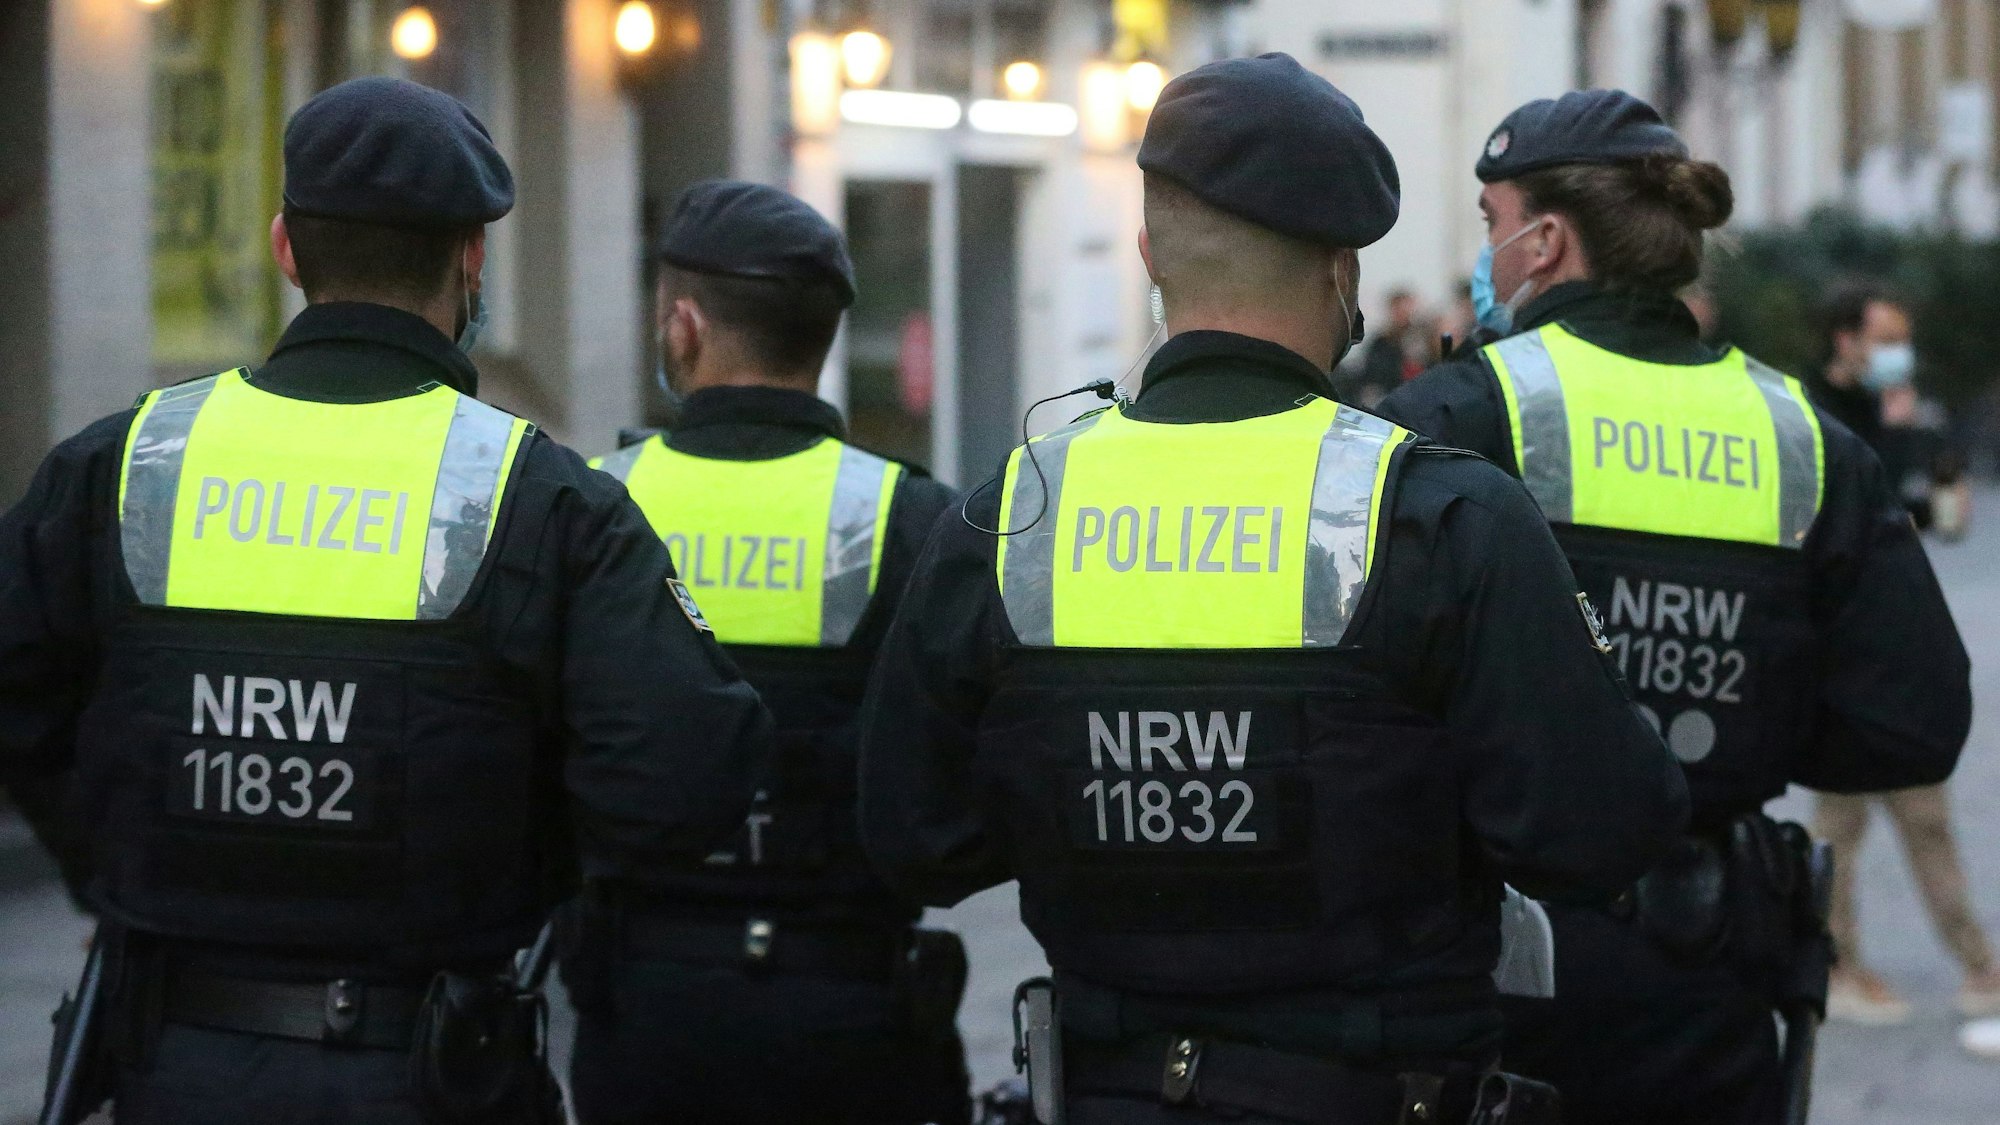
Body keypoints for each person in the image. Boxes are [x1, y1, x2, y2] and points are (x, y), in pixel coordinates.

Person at [858, 54, 1689, 1125]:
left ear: (1152, 254)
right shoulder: (1439, 515)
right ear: (1342, 275)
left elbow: (910, 838)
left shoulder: (1011, 513)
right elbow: (1597, 832)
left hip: (1106, 1087)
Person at [0, 77, 772, 1125]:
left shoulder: (128, 462)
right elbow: (692, 771)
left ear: (284, 248)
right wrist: (519, 854)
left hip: (176, 1063)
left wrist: (119, 854)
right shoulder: (538, 495)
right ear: (473, 258)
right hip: (430, 1070)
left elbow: (20, 694)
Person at [1379, 90, 1971, 1124]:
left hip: (1488, 970)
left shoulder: (1459, 414)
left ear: (1545, 239)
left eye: (1490, 220)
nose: (1488, 251)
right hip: (1709, 974)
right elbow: (1909, 724)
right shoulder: (1800, 439)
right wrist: (1735, 729)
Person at [564, 181, 969, 1125]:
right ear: (821, 339)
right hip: (853, 1010)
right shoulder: (914, 520)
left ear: (684, 327)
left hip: (645, 1011)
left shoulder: (590, 503)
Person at [1803, 289, 1998, 1025]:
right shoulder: (1811, 408)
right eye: (1884, 338)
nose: (1896, 353)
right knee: (1841, 824)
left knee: (1923, 811)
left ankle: (1977, 961)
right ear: (1846, 339)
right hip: (1835, 646)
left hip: (1897, 640)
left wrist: (1928, 460)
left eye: (1902, 339)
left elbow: (1931, 512)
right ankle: (1840, 963)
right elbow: (1846, 511)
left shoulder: (1909, 412)